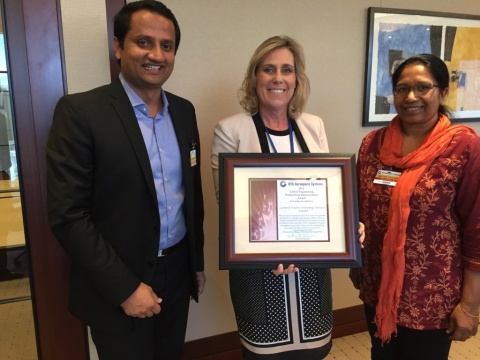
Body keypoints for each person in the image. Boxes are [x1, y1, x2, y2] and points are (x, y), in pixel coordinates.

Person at [46, 2, 205, 359]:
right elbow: (68, 215)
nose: (157, 54)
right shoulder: (80, 113)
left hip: (177, 272)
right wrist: (125, 288)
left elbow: (191, 194)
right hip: (116, 281)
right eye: (143, 42)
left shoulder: (184, 111)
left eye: (167, 46)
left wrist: (196, 262)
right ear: (118, 46)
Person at [211, 35, 364, 359]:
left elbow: (329, 195)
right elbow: (227, 206)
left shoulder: (313, 125)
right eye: (268, 69)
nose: (278, 78)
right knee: (265, 354)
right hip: (258, 274)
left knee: (315, 351)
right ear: (255, 77)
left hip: (312, 270)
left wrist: (349, 225)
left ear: (297, 79)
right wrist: (270, 252)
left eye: (286, 70)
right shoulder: (231, 130)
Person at [349, 53, 480, 360]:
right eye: (401, 89)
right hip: (377, 285)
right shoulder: (373, 144)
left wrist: (471, 306)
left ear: (443, 92)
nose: (411, 97)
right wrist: (353, 261)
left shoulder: (463, 147)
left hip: (431, 295)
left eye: (423, 87)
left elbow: (477, 228)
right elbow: (358, 210)